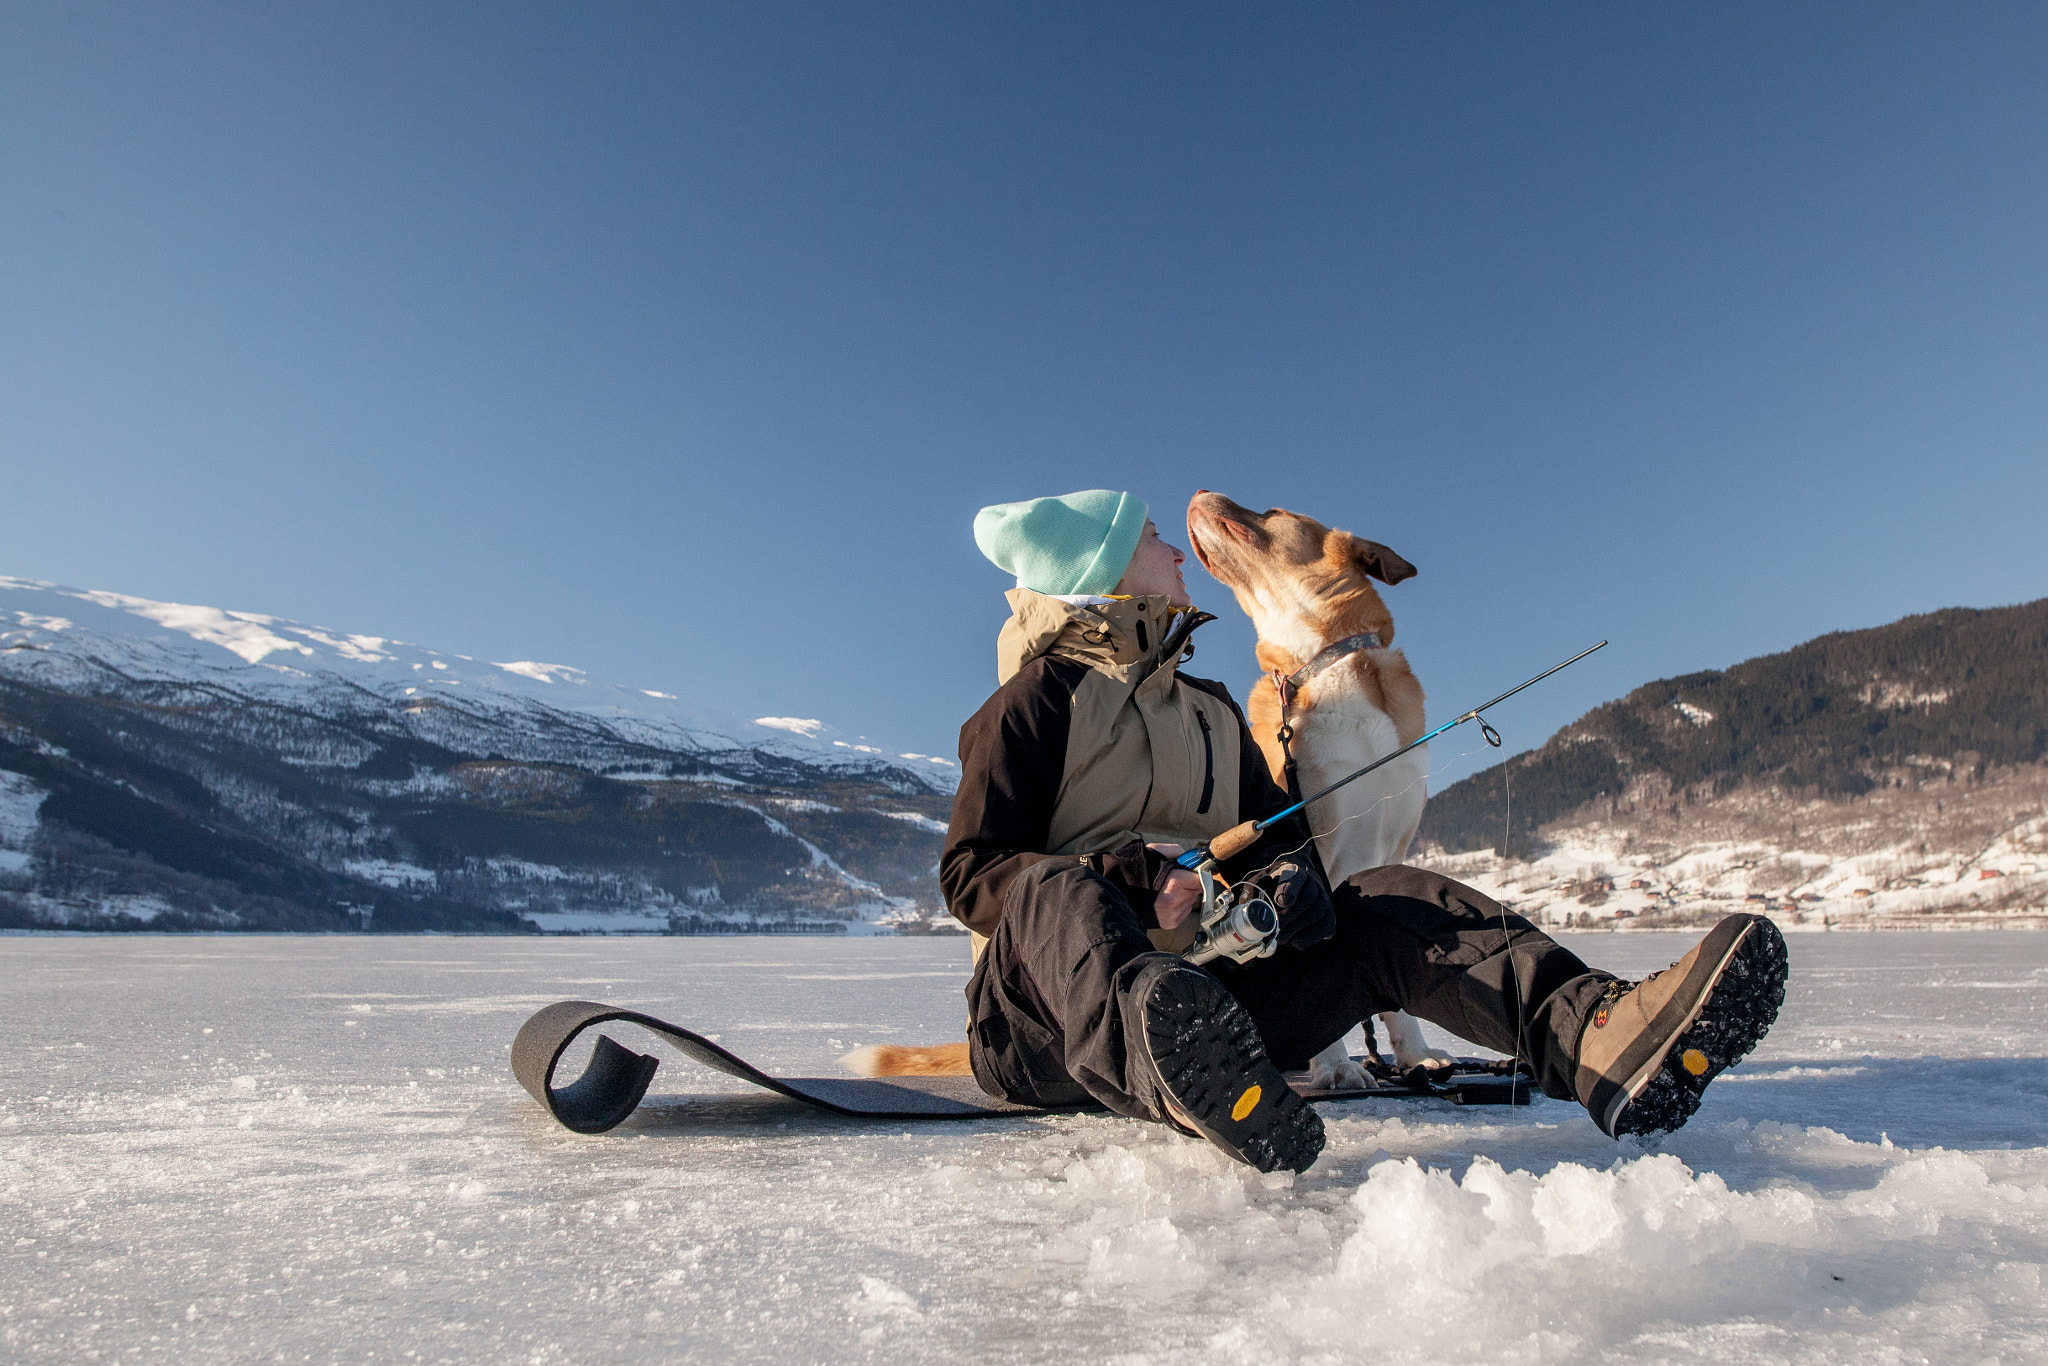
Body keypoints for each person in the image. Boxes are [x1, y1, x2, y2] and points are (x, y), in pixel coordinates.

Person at [940, 489, 1787, 1173]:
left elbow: (1271, 844)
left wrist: (1293, 890)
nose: (1174, 551)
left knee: (1381, 900)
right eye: (1155, 537)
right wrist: (1119, 877)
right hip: (1043, 1027)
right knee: (1057, 889)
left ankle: (1597, 1036)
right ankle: (1173, 1060)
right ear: (1110, 569)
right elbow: (972, 872)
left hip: (1212, 1010)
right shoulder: (1033, 702)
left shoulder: (1209, 710)